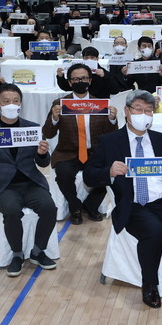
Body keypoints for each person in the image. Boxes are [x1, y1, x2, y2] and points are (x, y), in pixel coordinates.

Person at [83, 90, 162, 308]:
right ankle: (149, 285)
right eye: (138, 109)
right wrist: (108, 172)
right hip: (134, 204)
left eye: (149, 111)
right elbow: (88, 175)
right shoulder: (110, 141)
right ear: (127, 111)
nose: (144, 115)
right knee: (154, 232)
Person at [0, 83, 58, 277]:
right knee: (12, 210)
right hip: (3, 186)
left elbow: (43, 163)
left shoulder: (32, 128)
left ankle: (38, 251)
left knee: (50, 208)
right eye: (6, 101)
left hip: (30, 182)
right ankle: (17, 254)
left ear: (21, 104)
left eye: (15, 101)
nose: (11, 104)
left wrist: (43, 153)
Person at [42, 64, 118, 225]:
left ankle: (91, 204)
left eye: (83, 78)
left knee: (112, 171)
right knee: (63, 173)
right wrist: (54, 118)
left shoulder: (100, 104)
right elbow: (48, 133)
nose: (80, 81)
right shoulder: (60, 103)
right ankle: (74, 206)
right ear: (69, 82)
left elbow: (111, 135)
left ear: (90, 80)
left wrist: (112, 120)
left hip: (94, 152)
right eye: (75, 79)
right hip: (67, 152)